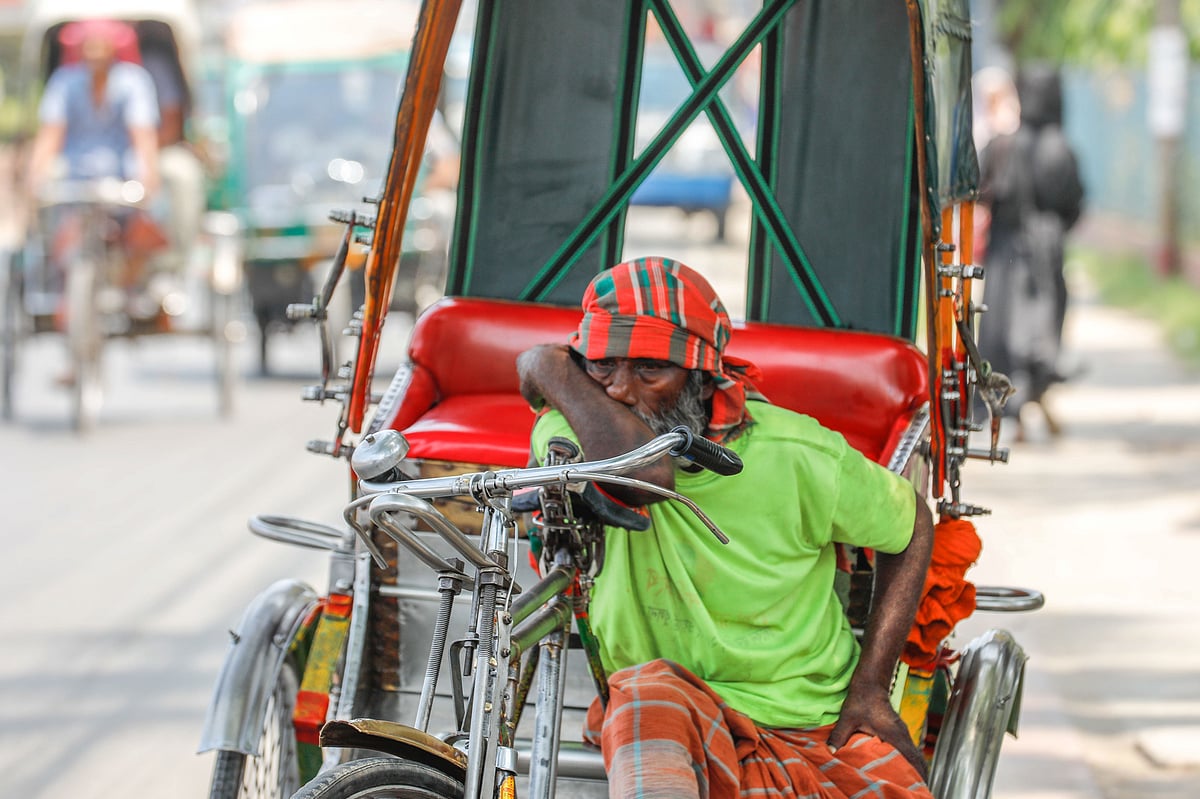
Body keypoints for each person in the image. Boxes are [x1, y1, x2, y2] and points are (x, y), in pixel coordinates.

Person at [516, 257, 935, 798]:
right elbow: (646, 472)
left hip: (807, 716)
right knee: (647, 691)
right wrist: (553, 370)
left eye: (650, 370)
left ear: (702, 377)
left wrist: (873, 689)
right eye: (601, 366)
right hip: (663, 712)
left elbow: (913, 523)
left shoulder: (796, 452)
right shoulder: (575, 430)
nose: (618, 390)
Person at [25, 19, 166, 310]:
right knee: (54, 224)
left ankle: (142, 283)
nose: (95, 53)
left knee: (145, 224)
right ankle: (59, 285)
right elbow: (50, 134)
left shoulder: (132, 81)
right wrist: (35, 177)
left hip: (121, 177)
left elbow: (142, 137)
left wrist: (148, 178)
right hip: (77, 178)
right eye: (89, 46)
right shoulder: (65, 82)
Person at [976, 64, 1085, 440]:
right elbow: (1075, 202)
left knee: (1005, 331)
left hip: (1005, 251)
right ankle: (1036, 401)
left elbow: (980, 188)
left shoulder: (1003, 144)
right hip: (1047, 252)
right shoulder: (1062, 148)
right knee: (1042, 332)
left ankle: (1016, 411)